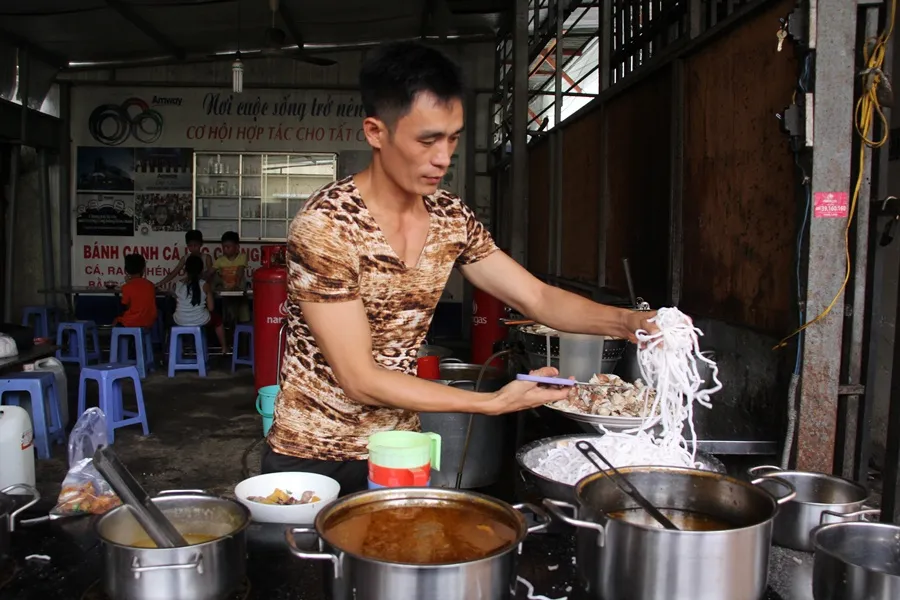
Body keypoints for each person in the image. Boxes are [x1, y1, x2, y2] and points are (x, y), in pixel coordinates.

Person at [262, 41, 658, 494]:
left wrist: (629, 322)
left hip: (399, 449)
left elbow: (537, 298)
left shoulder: (449, 216)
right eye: (427, 140)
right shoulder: (327, 226)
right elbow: (361, 379)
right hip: (315, 456)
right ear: (376, 132)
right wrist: (489, 404)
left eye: (453, 138)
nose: (444, 157)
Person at [173, 255, 228, 353]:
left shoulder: (178, 284)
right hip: (200, 319)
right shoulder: (204, 285)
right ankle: (224, 348)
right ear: (202, 270)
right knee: (218, 320)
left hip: (180, 320)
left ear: (185, 269)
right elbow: (211, 308)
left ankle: (177, 351)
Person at [213, 231, 250, 324]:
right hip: (227, 294)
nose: (225, 249)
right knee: (229, 318)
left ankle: (243, 337)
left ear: (237, 247)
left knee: (244, 317)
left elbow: (240, 272)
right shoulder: (220, 261)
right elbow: (211, 273)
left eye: (228, 247)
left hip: (240, 291)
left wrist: (236, 285)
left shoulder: (242, 257)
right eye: (224, 247)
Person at [115, 253, 157, 328]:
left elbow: (125, 304)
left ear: (126, 270)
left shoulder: (126, 287)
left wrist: (129, 282)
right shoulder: (150, 285)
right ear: (144, 269)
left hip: (131, 322)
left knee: (117, 322)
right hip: (149, 322)